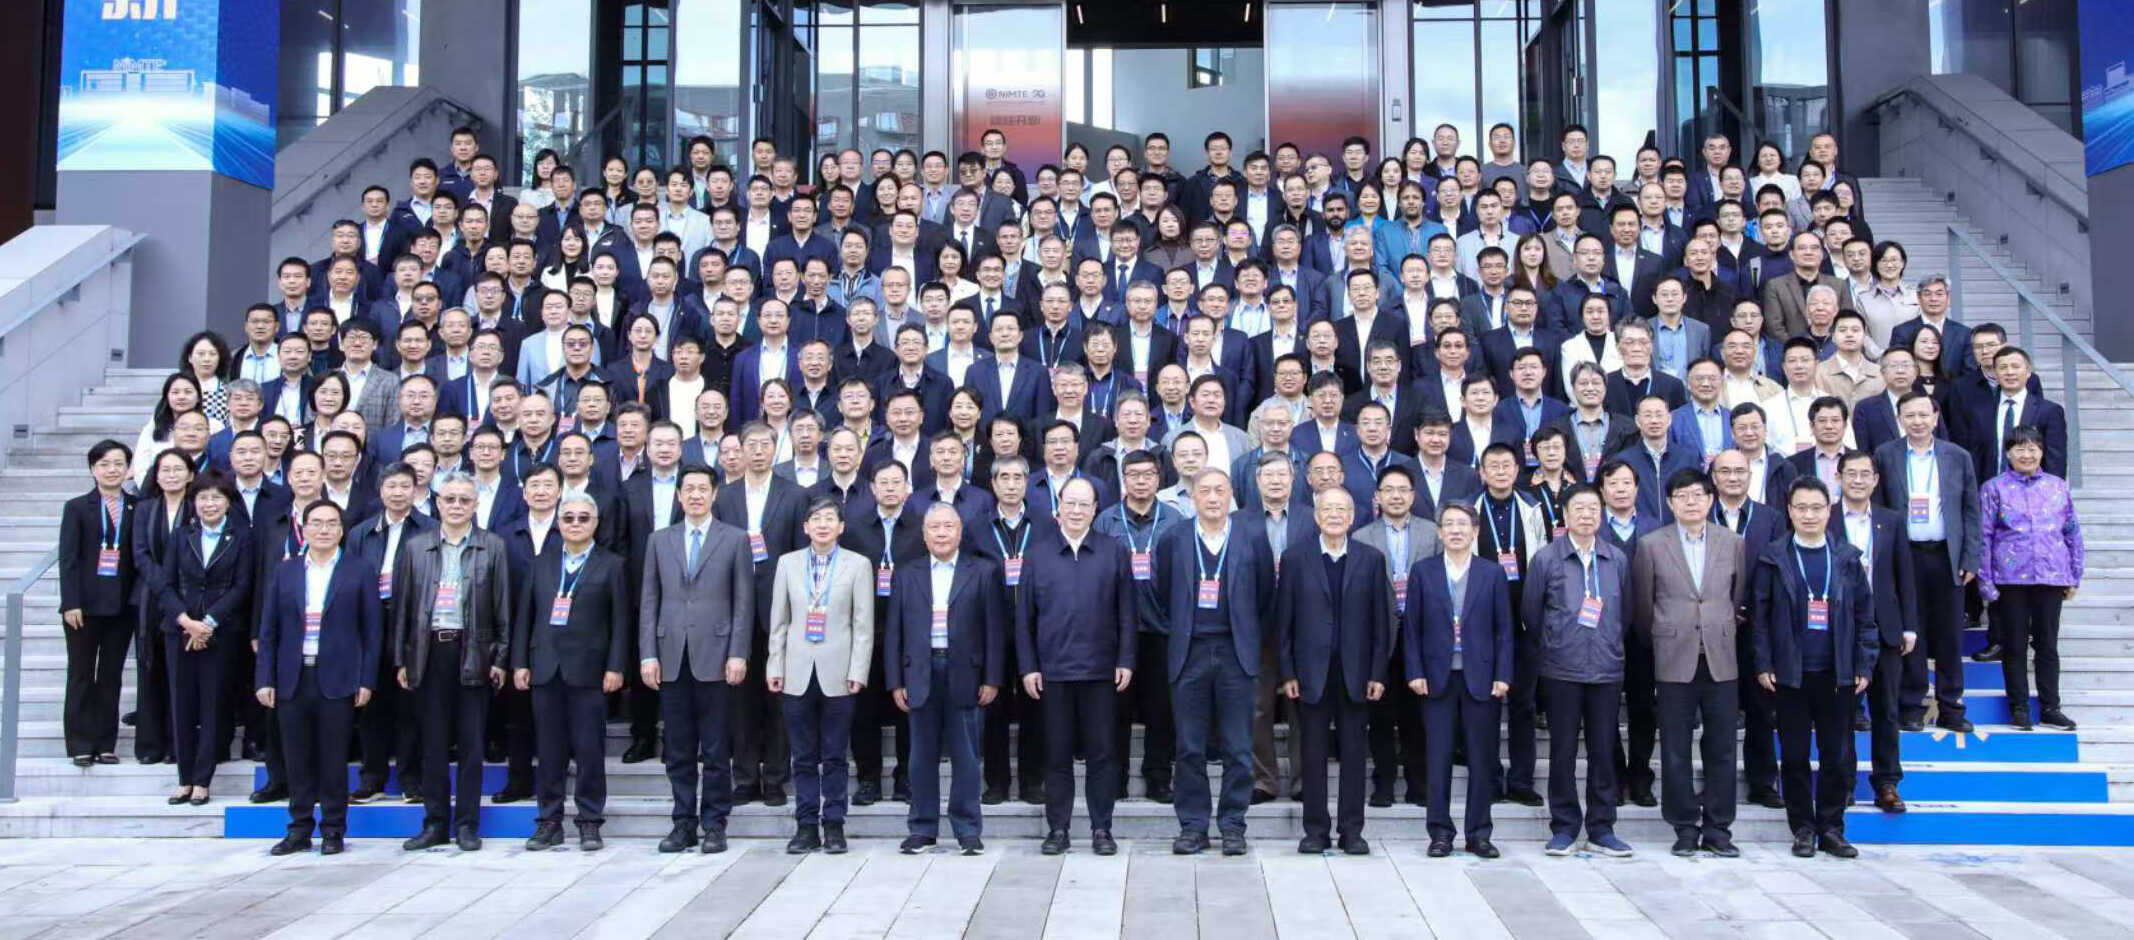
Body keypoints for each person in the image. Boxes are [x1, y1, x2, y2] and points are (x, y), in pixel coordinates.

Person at [1752, 478, 1875, 860]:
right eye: (1801, 508)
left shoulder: (1847, 558)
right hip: (1790, 674)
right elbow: (1760, 617)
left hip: (1837, 673)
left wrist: (1863, 663)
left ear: (1829, 510)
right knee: (1793, 756)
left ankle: (1832, 828)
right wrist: (1763, 662)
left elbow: (1864, 616)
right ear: (1789, 511)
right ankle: (1803, 828)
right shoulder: (1774, 558)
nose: (1809, 515)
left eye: (1816, 508)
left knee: (1836, 755)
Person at [389, 471, 512, 851]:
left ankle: (468, 824)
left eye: (464, 500)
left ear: (475, 505)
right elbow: (403, 607)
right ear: (437, 503)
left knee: (472, 745)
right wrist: (401, 658)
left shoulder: (493, 546)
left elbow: (503, 607)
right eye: (450, 499)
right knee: (433, 744)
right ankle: (435, 823)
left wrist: (500, 658)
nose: (456, 506)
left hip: (474, 651)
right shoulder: (416, 547)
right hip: (428, 653)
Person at [1630, 469, 1749, 858]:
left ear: (1711, 499)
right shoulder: (1651, 545)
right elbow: (1644, 605)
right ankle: (1683, 825)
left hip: (1720, 657)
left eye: (1698, 494)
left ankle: (1718, 827)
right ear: (1670, 503)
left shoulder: (1732, 542)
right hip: (1673, 657)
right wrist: (1663, 637)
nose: (1691, 501)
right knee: (1675, 748)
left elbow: (1737, 595)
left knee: (1722, 747)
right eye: (1682, 495)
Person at [255, 499, 382, 857]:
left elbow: (372, 632)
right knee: (296, 759)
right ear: (304, 528)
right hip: (292, 677)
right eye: (316, 523)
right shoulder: (286, 571)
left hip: (338, 678)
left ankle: (333, 829)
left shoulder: (359, 570)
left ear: (341, 530)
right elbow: (269, 630)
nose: (323, 530)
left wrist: (366, 680)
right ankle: (298, 829)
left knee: (333, 760)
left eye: (331, 523)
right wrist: (264, 678)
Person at [1158, 469, 1275, 856]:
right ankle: (1193, 827)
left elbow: (1265, 596)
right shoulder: (1174, 537)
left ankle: (1233, 825)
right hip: (1189, 652)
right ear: (1192, 497)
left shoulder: (1251, 537)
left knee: (1238, 748)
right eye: (1204, 491)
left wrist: (1245, 635)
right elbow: (1161, 591)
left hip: (1235, 653)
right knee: (1189, 748)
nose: (1212, 498)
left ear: (1231, 497)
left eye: (1219, 491)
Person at [1018, 477, 1136, 856]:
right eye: (1070, 503)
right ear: (1058, 508)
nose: (1076, 511)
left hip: (1101, 672)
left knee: (1103, 755)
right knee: (1056, 756)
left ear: (1095, 509)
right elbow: (1024, 619)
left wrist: (1126, 659)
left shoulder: (1113, 551)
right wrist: (1028, 667)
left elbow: (1127, 612)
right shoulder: (1037, 555)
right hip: (1053, 673)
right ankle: (1058, 829)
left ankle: (1102, 829)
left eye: (1084, 504)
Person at [642, 463, 754, 854]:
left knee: (717, 749)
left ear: (714, 493)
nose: (695, 495)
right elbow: (649, 600)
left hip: (717, 657)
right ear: (678, 495)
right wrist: (648, 654)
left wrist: (738, 652)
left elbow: (743, 602)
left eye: (702, 489)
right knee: (678, 749)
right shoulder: (659, 540)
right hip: (672, 656)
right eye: (688, 489)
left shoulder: (735, 539)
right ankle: (683, 823)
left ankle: (715, 824)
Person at [511, 491, 629, 851]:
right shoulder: (542, 562)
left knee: (589, 750)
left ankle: (590, 821)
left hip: (590, 672)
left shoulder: (612, 565)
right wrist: (520, 662)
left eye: (583, 518)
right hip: (545, 668)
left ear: (595, 523)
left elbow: (621, 621)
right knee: (549, 751)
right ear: (559, 523)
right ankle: (549, 821)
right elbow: (525, 615)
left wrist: (615, 666)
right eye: (569, 518)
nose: (575, 524)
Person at [1522, 484, 1635, 857]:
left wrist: (1609, 645)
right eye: (1579, 508)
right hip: (1561, 670)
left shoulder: (1616, 559)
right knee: (1563, 752)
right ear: (1565, 515)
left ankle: (1602, 828)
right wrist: (1557, 644)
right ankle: (1565, 827)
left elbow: (1626, 614)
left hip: (1606, 669)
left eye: (1593, 509)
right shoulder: (1546, 559)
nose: (1586, 515)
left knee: (1603, 752)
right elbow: (1532, 615)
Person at [887, 504, 1007, 855]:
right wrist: (896, 681)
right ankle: (922, 829)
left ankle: (967, 830)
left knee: (967, 757)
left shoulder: (983, 571)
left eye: (948, 526)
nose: (941, 533)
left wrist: (992, 678)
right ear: (924, 534)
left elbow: (995, 630)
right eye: (934, 527)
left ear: (960, 532)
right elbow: (894, 631)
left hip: (965, 673)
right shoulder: (906, 573)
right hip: (920, 673)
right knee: (920, 758)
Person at [1276, 487, 1391, 855]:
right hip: (1310, 672)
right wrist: (1287, 672)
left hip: (1356, 673)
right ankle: (1315, 830)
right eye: (1327, 509)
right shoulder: (1295, 558)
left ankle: (1351, 830)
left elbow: (1382, 621)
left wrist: (1377, 673)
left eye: (1342, 509)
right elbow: (1284, 621)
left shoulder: (1371, 559)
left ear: (1353, 516)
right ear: (1316, 515)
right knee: (1312, 754)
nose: (1335, 515)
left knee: (1354, 754)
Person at [766, 496, 874, 855]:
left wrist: (858, 670)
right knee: (802, 755)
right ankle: (806, 825)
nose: (823, 524)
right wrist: (775, 665)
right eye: (816, 519)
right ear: (805, 527)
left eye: (830, 518)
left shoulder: (858, 565)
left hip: (839, 672)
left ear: (841, 527)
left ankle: (834, 825)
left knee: (835, 755)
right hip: (796, 670)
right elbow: (779, 621)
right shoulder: (788, 563)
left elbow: (863, 625)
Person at [1407, 502, 1513, 859]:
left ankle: (1479, 833)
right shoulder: (1423, 571)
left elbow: (1504, 629)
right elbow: (1412, 628)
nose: (1455, 530)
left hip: (1481, 678)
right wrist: (1415, 671)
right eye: (1448, 524)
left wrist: (1503, 674)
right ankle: (1440, 833)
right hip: (1436, 679)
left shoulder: (1491, 573)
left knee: (1482, 760)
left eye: (1462, 524)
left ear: (1475, 531)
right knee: (1437, 759)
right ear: (1439, 532)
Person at [1871, 392, 1980, 733]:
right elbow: (1879, 508)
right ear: (1900, 419)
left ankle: (1951, 706)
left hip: (1947, 555)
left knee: (1950, 634)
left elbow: (1971, 510)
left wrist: (1971, 557)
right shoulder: (1885, 454)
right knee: (1910, 630)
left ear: (1935, 418)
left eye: (1923, 415)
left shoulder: (1957, 456)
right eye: (1910, 415)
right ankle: (1912, 704)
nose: (1917, 421)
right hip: (1905, 556)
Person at [157, 470, 254, 805]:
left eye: (216, 497)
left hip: (221, 631)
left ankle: (202, 779)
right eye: (202, 498)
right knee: (181, 705)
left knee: (213, 705)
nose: (209, 504)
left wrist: (208, 622)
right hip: (180, 631)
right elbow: (165, 584)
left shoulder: (242, 537)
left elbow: (242, 586)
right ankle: (184, 778)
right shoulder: (181, 535)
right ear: (193, 502)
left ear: (228, 502)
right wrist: (187, 622)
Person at [1978, 427, 2083, 731]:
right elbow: (1984, 536)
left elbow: (2072, 532)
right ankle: (2019, 708)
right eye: (2020, 449)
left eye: (2033, 448)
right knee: (2014, 645)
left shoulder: (2057, 486)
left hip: (2051, 577)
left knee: (2047, 645)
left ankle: (2050, 707)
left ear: (2042, 452)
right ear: (2008, 453)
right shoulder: (1994, 488)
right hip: (2010, 579)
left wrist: (2075, 574)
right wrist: (1986, 581)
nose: (2027, 454)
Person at [1830, 449, 1918, 813]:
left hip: (1884, 627)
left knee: (1887, 710)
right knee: (1841, 714)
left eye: (1865, 474)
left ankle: (1887, 783)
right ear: (1838, 478)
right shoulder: (1825, 517)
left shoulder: (1891, 520)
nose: (1858, 480)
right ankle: (1843, 784)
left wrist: (1909, 626)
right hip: (1839, 628)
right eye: (1851, 473)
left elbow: (1904, 575)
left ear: (1876, 480)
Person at [59, 441, 138, 768]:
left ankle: (106, 743)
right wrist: (71, 602)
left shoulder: (138, 506)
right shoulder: (77, 507)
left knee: (111, 675)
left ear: (128, 469)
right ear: (93, 469)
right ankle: (80, 742)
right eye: (104, 464)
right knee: (81, 675)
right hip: (84, 608)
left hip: (122, 607)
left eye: (118, 463)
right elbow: (69, 559)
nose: (112, 470)